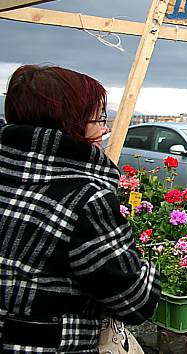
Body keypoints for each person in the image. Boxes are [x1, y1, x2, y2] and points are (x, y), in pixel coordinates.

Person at [0, 65, 160, 352]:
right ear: (70, 122)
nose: (105, 128)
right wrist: (148, 262)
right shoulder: (84, 198)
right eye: (98, 118)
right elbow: (136, 301)